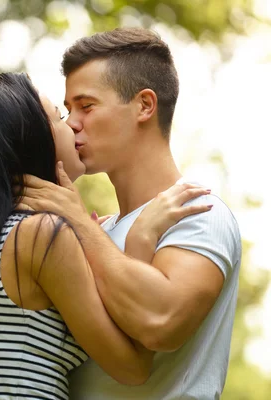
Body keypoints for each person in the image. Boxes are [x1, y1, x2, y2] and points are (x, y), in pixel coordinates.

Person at [0, 72, 212, 400]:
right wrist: (140, 236)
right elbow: (133, 367)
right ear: (31, 139)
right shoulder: (39, 235)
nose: (74, 126)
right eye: (60, 116)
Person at [19, 28, 242, 399]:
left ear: (144, 105)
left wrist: (78, 224)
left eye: (86, 106)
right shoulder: (98, 230)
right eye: (68, 109)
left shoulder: (199, 212)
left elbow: (160, 323)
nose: (72, 122)